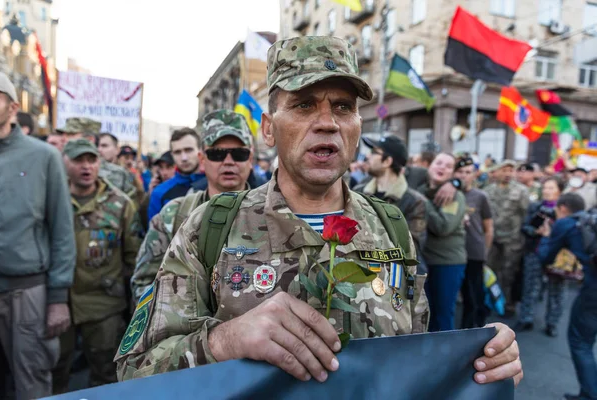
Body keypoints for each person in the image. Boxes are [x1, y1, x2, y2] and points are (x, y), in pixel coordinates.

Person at [115, 37, 522, 386]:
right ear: (269, 128)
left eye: (343, 107)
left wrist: (482, 360)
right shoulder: (211, 226)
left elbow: (412, 363)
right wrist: (223, 342)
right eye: (305, 105)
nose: (327, 123)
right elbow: (135, 370)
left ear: (359, 126)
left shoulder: (391, 227)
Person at [0, 71, 76, 399]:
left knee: (32, 384)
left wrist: (57, 298)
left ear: (13, 107)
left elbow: (61, 229)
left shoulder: (43, 156)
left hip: (25, 293)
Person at [131, 110, 253, 301]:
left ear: (250, 159)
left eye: (239, 153)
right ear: (203, 159)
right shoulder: (173, 214)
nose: (228, 162)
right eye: (217, 154)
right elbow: (142, 285)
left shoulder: (273, 213)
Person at [51, 139, 142, 393]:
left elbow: (134, 257)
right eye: (78, 160)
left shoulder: (120, 203)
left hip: (104, 307)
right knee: (54, 371)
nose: (86, 166)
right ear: (65, 162)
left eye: (92, 160)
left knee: (106, 377)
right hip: (60, 304)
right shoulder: (52, 198)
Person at [534, 193, 596, 400]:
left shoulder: (566, 224)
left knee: (580, 341)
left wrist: (545, 236)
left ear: (562, 208)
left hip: (593, 290)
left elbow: (545, 257)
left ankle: (589, 394)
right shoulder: (591, 219)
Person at [357, 135, 428, 257]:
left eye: (374, 152)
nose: (368, 156)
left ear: (387, 161)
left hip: (396, 273)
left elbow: (411, 248)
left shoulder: (414, 201)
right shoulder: (359, 192)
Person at [420, 153, 467, 332]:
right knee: (424, 315)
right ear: (429, 166)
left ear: (453, 173)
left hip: (446, 263)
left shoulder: (455, 197)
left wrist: (424, 204)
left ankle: (447, 357)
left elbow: (443, 227)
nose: (442, 167)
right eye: (438, 163)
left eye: (448, 166)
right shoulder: (421, 188)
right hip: (424, 262)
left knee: (442, 317)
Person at [515, 177, 566, 337]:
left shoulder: (564, 209)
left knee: (556, 289)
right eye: (545, 187)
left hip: (556, 255)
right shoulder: (535, 206)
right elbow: (525, 226)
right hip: (534, 251)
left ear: (559, 190)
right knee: (530, 285)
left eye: (551, 188)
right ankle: (526, 318)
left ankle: (552, 323)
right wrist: (535, 231)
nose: (546, 191)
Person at [485, 160, 530, 316]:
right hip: (493, 237)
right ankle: (491, 299)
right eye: (504, 170)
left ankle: (508, 302)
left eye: (511, 171)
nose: (507, 174)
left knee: (509, 272)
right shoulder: (488, 190)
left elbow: (526, 214)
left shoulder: (522, 191)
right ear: (497, 172)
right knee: (491, 269)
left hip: (513, 239)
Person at [454, 156, 493, 329]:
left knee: (473, 295)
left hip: (474, 251)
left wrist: (485, 253)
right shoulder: (449, 193)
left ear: (474, 175)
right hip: (454, 253)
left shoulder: (480, 196)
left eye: (468, 172)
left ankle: (472, 329)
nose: (464, 175)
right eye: (460, 172)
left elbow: (489, 228)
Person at [60, 121, 139, 203]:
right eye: (63, 135)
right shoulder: (58, 166)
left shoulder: (116, 173)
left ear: (89, 139)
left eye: (70, 135)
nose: (63, 139)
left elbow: (128, 206)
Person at [147, 127, 205, 221]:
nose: (184, 158)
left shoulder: (216, 184)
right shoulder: (159, 193)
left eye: (188, 150)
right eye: (177, 152)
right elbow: (155, 233)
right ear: (172, 155)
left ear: (200, 150)